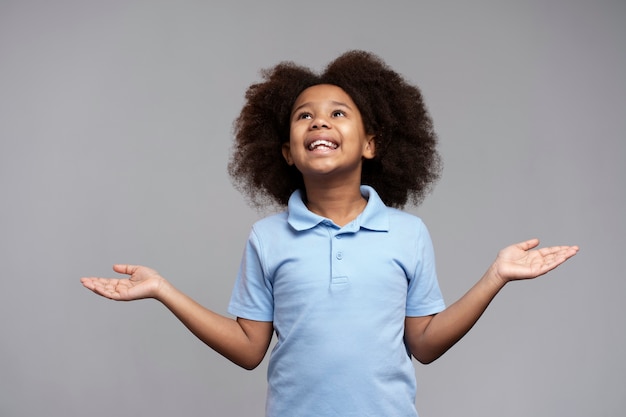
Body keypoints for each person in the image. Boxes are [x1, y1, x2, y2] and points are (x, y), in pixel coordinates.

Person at [81, 50, 579, 417]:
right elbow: (249, 348)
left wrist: (495, 276)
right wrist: (163, 290)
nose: (319, 120)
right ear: (286, 152)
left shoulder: (407, 233)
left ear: (370, 143)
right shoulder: (267, 238)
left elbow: (424, 343)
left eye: (338, 113)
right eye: (304, 116)